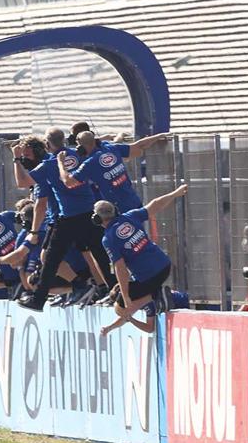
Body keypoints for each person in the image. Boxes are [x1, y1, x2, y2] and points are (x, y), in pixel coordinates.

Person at [12, 129, 116, 312]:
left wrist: (17, 158)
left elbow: (22, 182)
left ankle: (39, 299)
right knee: (99, 254)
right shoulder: (78, 155)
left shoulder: (50, 165)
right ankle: (114, 291)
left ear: (47, 145)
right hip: (90, 212)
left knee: (51, 259)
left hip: (68, 216)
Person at [94, 184, 188, 319]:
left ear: (97, 219)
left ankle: (160, 296)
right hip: (164, 266)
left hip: (149, 276)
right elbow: (155, 205)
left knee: (120, 308)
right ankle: (157, 296)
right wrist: (175, 193)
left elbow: (120, 268)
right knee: (122, 291)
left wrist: (126, 297)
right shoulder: (130, 216)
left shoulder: (108, 239)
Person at [61, 130, 165, 213]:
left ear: (81, 147)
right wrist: (158, 136)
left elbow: (69, 182)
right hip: (133, 200)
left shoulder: (89, 164)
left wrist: (60, 163)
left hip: (117, 209)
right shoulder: (110, 148)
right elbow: (138, 146)